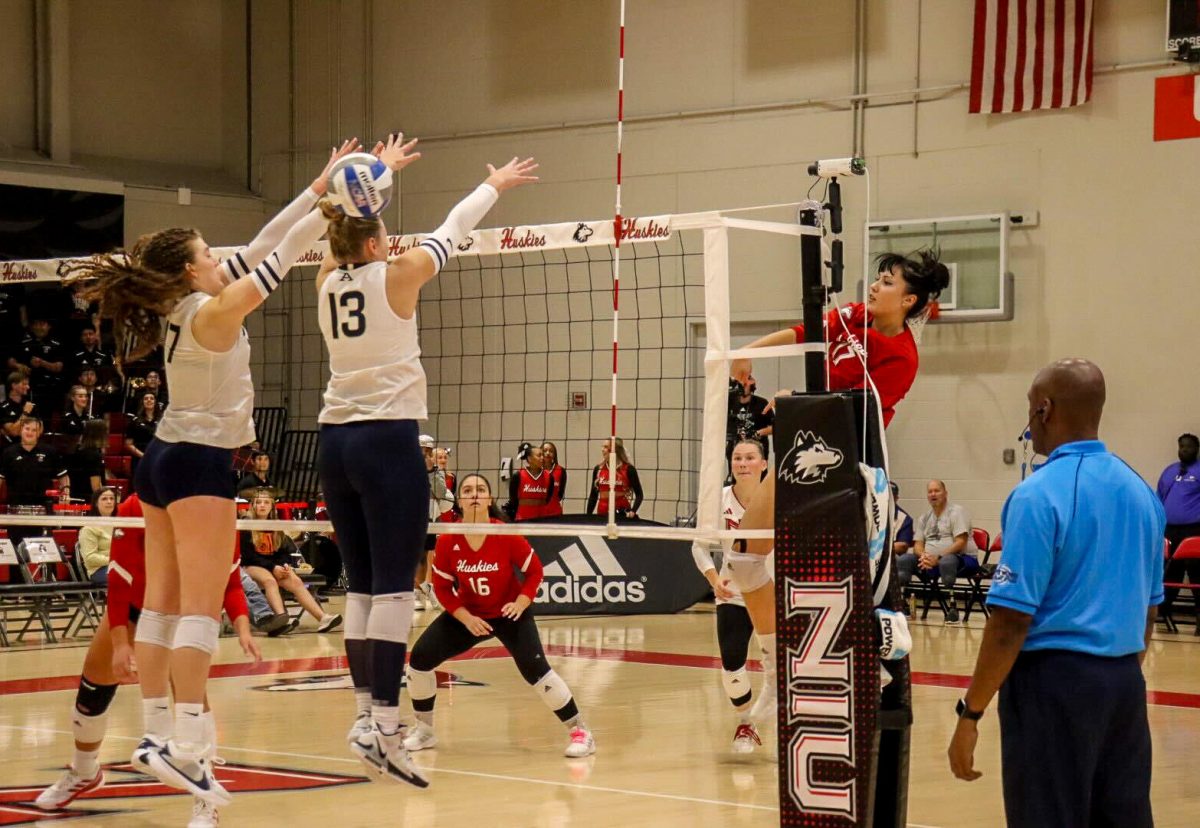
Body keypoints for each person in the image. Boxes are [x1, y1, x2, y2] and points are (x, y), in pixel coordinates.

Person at [59, 139, 358, 809]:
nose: (221, 258)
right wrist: (337, 206)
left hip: (164, 457)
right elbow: (276, 260)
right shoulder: (218, 309)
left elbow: (266, 239)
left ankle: (156, 737)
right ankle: (190, 745)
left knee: (161, 605)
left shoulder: (186, 304)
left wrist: (316, 190)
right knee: (196, 608)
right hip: (197, 463)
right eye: (208, 255)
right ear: (192, 273)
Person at [314, 136, 536, 785]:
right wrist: (495, 182)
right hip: (387, 443)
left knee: (359, 586)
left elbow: (344, 233)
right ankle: (386, 727)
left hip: (335, 441)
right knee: (392, 591)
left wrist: (372, 176)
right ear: (379, 241)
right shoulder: (402, 272)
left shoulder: (327, 278)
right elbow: (455, 225)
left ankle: (362, 716)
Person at [723, 248, 948, 719]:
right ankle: (775, 671)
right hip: (803, 445)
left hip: (848, 465)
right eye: (878, 277)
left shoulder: (902, 357)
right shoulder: (856, 316)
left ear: (908, 301)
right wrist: (747, 353)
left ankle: (864, 675)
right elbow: (806, 332)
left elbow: (855, 410)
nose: (874, 286)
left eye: (887, 282)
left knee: (843, 586)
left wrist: (797, 402)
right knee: (744, 557)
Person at [948, 359, 1164, 828]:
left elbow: (1009, 624)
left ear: (1044, 410)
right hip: (1125, 685)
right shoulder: (1143, 493)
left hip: (1053, 687)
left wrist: (971, 713)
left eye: (1029, 409)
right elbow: (1150, 609)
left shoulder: (1036, 495)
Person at [33, 493, 261, 828]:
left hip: (187, 615)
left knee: (193, 701)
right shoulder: (137, 504)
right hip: (138, 606)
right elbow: (118, 579)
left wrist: (243, 626)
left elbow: (229, 581)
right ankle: (84, 771)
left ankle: (205, 800)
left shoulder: (219, 506)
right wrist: (121, 642)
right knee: (91, 692)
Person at [404, 473, 596, 757]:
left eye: (480, 489)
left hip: (509, 614)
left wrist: (521, 601)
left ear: (489, 499)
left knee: (536, 671)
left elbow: (535, 571)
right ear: (459, 500)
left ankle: (581, 732)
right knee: (419, 660)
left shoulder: (504, 533)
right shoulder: (447, 539)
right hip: (470, 616)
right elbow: (443, 588)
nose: (474, 494)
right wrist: (464, 617)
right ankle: (425, 730)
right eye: (468, 490)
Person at [690, 438, 771, 753]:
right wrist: (713, 579)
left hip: (770, 594)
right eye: (737, 458)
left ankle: (762, 726)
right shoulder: (720, 500)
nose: (743, 463)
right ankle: (745, 721)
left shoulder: (777, 499)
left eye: (750, 457)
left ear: (763, 464)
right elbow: (699, 545)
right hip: (733, 592)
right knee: (732, 668)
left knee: (777, 665)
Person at [239, 488, 342, 634]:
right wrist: (273, 567)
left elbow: (284, 551)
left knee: (295, 581)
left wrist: (285, 565)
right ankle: (280, 618)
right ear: (253, 505)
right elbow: (248, 555)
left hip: (273, 565)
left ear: (272, 506)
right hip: (252, 565)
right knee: (269, 581)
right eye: (259, 502)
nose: (262, 505)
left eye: (266, 502)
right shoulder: (246, 525)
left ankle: (323, 618)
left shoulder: (276, 526)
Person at [896, 479, 978, 623]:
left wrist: (938, 558)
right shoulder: (924, 518)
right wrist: (924, 557)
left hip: (963, 559)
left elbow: (961, 542)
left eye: (937, 490)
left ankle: (953, 608)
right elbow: (917, 545)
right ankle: (903, 604)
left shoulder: (957, 512)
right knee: (904, 560)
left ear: (945, 493)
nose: (933, 494)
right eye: (930, 491)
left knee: (947, 562)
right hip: (932, 561)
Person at [1156, 433, 1200, 624]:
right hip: (1170, 529)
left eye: (1189, 447)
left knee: (1196, 571)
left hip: (1193, 530)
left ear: (1196, 449)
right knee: (1170, 570)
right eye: (1182, 446)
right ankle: (1164, 610)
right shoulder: (1169, 471)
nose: (1184, 450)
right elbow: (1159, 497)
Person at [0, 417, 69, 508]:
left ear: (39, 433)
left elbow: (63, 476)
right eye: (27, 429)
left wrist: (66, 492)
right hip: (15, 506)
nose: (30, 433)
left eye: (34, 430)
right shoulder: (9, 452)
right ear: (21, 430)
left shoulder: (50, 451)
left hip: (44, 507)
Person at [10, 316, 66, 404]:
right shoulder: (23, 342)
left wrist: (42, 363)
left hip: (50, 386)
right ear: (31, 327)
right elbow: (10, 360)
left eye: (42, 324)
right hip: (26, 386)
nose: (38, 327)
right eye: (36, 324)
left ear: (49, 326)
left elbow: (59, 367)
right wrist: (18, 365)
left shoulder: (56, 344)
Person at [585, 437, 643, 518]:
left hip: (621, 513)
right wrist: (588, 517)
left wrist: (633, 511)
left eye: (605, 447)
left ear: (614, 450)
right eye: (602, 446)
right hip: (602, 512)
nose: (602, 449)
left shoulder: (629, 469)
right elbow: (593, 496)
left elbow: (639, 494)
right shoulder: (598, 469)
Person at [726, 376, 773, 467]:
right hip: (736, 449)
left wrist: (757, 433)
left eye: (744, 385)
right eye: (739, 384)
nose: (741, 387)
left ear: (752, 387)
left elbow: (775, 427)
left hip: (756, 450)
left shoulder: (761, 403)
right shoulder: (730, 403)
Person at [79, 487, 120, 584]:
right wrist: (115, 560)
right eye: (104, 499)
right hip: (99, 570)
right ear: (96, 503)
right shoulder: (88, 528)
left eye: (111, 498)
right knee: (129, 577)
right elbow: (90, 559)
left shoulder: (120, 524)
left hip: (121, 565)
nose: (109, 502)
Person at [508, 441, 553, 521]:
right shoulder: (518, 475)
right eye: (539, 455)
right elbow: (513, 499)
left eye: (542, 455)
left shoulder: (549, 476)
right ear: (529, 458)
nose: (542, 458)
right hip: (523, 519)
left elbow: (548, 498)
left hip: (542, 520)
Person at [68, 419, 108, 502]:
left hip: (76, 497)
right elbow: (96, 487)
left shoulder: (78, 450)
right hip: (88, 502)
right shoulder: (93, 455)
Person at [123, 391, 160, 479]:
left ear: (155, 402)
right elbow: (128, 444)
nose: (149, 400)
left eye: (151, 398)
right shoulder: (135, 421)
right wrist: (144, 456)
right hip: (139, 459)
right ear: (142, 402)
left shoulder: (162, 420)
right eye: (146, 399)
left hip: (158, 458)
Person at [0, 371, 37, 444]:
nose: (28, 387)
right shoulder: (3, 408)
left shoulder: (30, 405)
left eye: (28, 384)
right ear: (14, 385)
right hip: (11, 448)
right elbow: (14, 432)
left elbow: (39, 429)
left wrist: (18, 429)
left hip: (31, 445)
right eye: (24, 384)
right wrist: (25, 413)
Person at [541, 441, 566, 517]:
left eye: (551, 451)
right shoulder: (536, 470)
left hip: (555, 512)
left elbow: (560, 494)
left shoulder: (561, 470)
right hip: (539, 512)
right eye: (545, 451)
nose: (548, 453)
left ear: (554, 454)